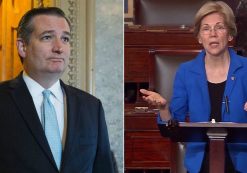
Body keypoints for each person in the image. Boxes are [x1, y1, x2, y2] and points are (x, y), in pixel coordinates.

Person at [0, 7, 114, 173]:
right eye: (47, 37)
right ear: (22, 47)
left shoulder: (91, 106)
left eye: (65, 39)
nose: (59, 48)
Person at [140, 1, 247, 173]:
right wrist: (164, 108)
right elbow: (174, 129)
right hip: (200, 163)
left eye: (219, 27)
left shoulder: (246, 70)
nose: (212, 34)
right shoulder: (186, 72)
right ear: (199, 37)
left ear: (229, 34)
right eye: (206, 29)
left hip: (242, 162)